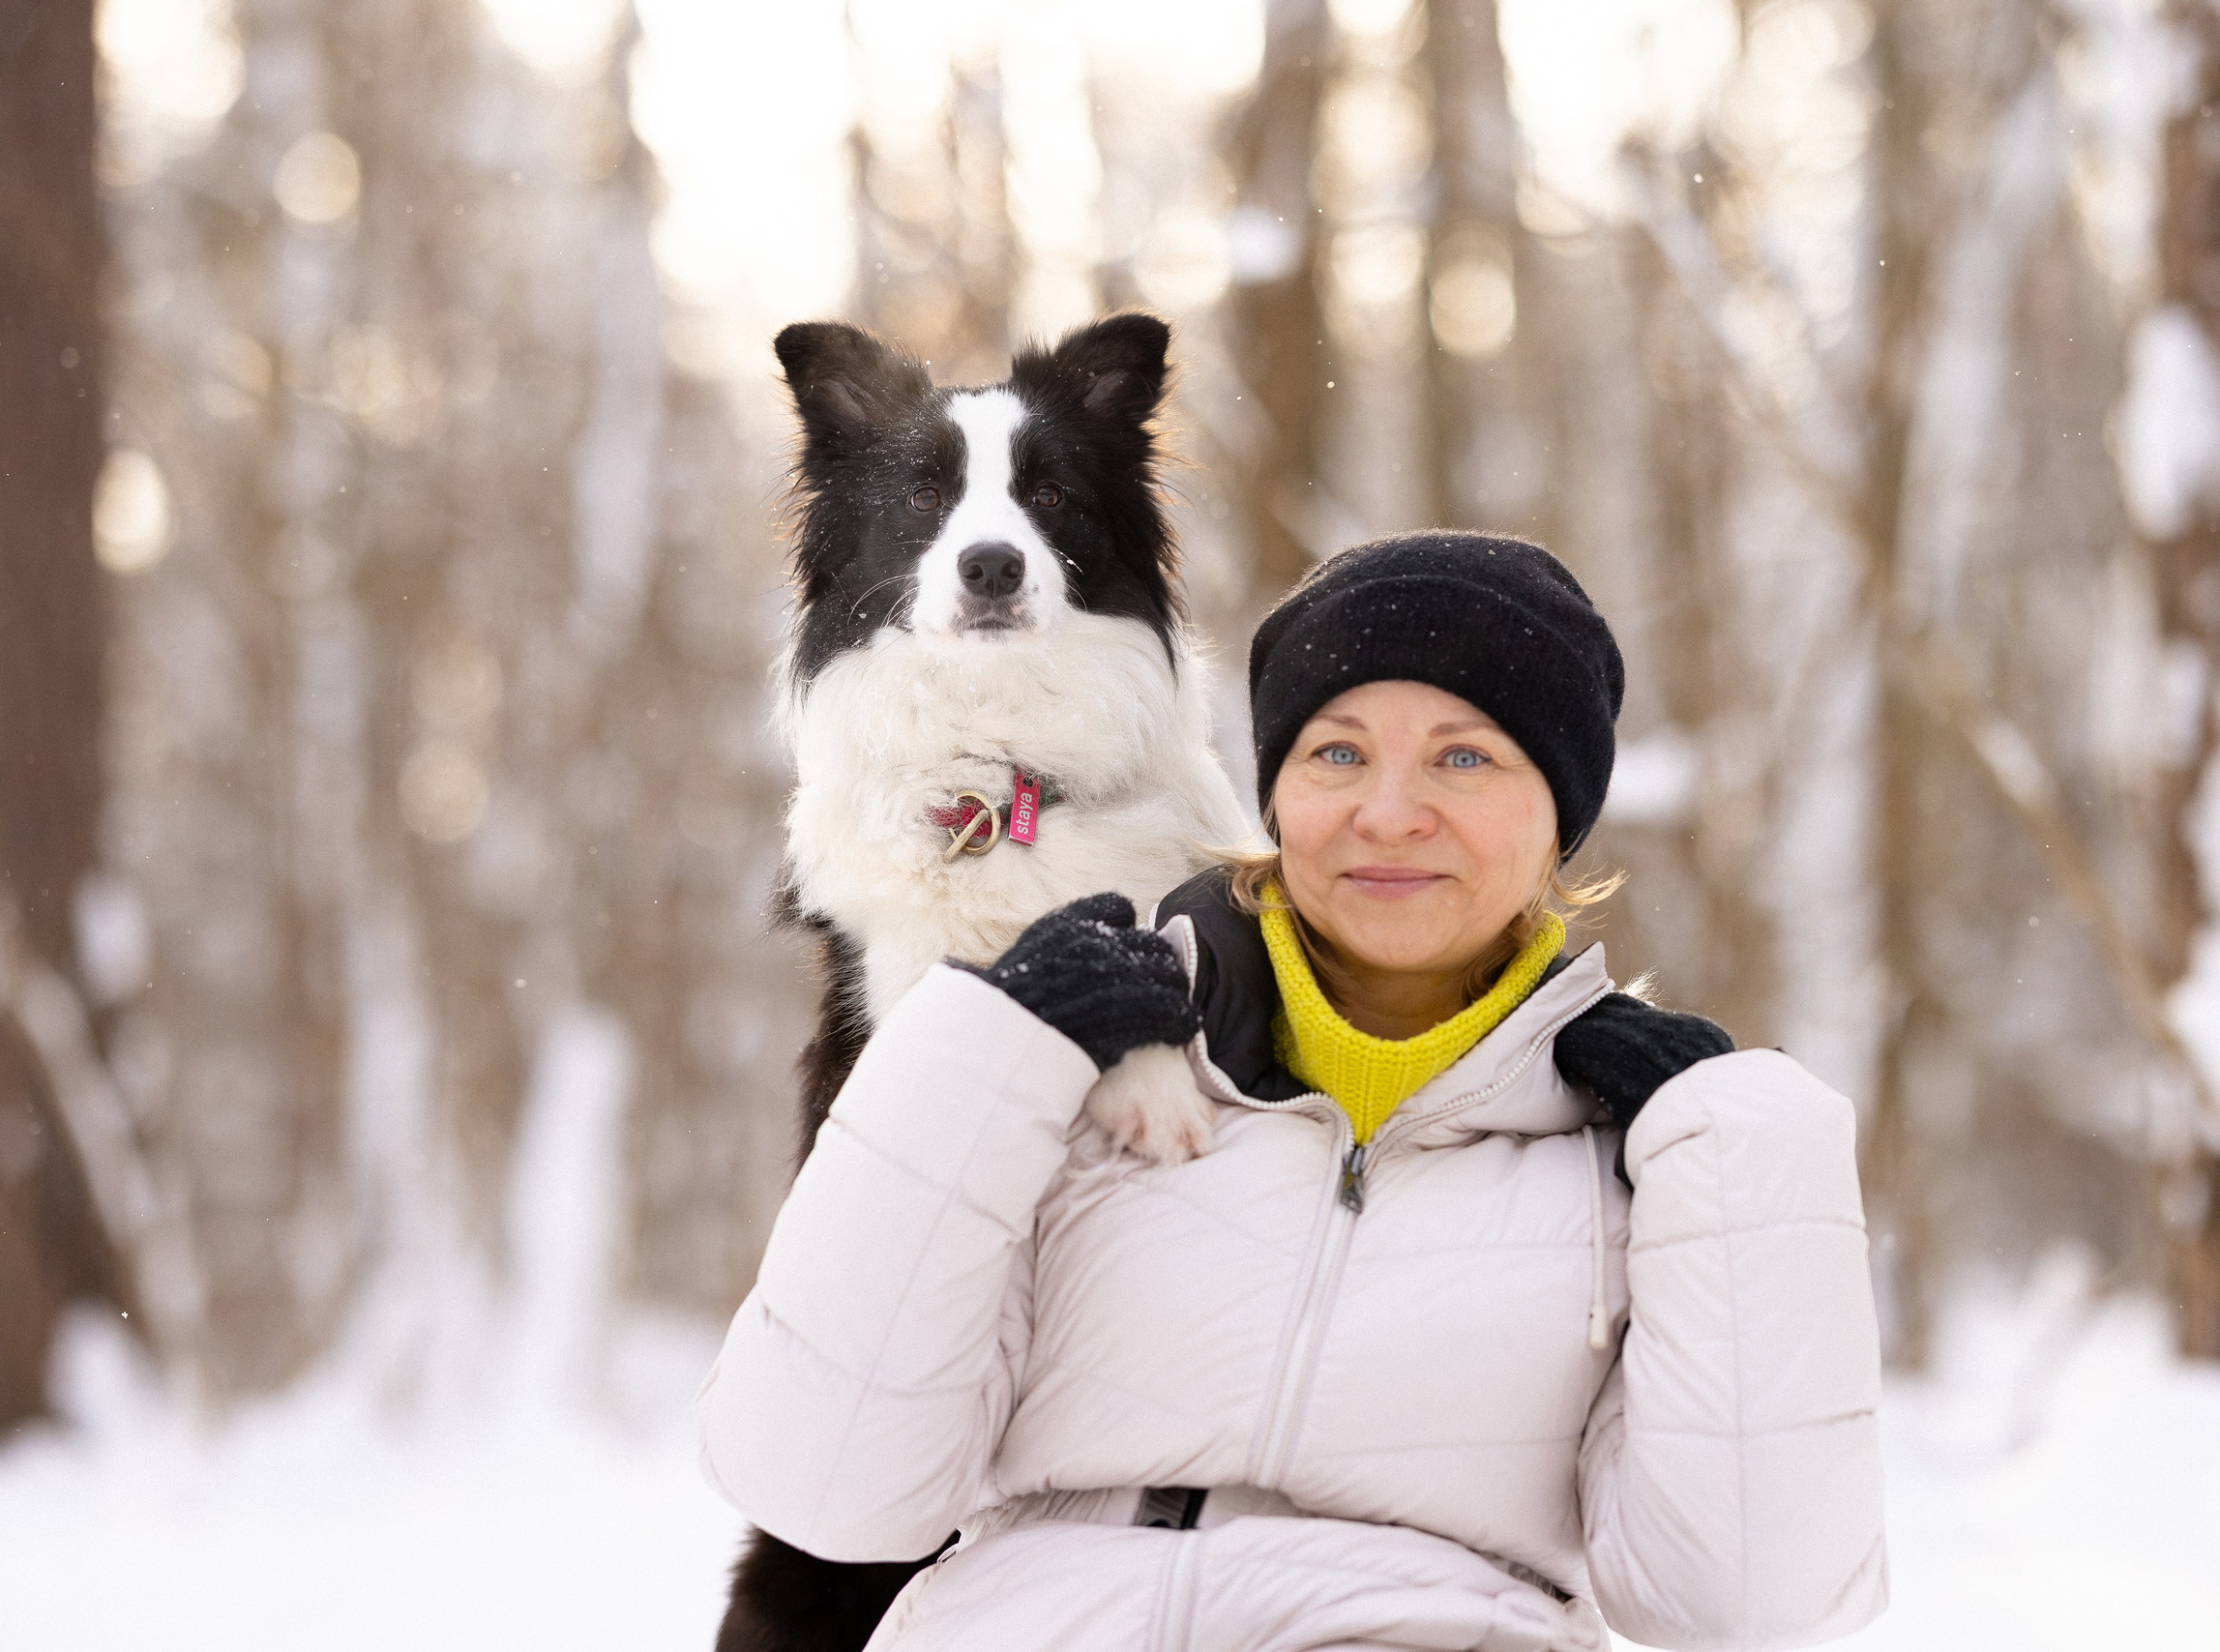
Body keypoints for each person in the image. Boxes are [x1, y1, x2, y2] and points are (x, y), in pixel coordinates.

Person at [696, 532, 1889, 1651]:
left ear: (1559, 814)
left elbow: (1749, 1599)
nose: (1387, 811)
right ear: (1277, 799)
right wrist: (982, 1047)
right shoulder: (1084, 1065)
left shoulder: (1641, 1156)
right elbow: (821, 1479)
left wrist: (1743, 1150)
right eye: (1338, 752)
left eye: (1464, 756)